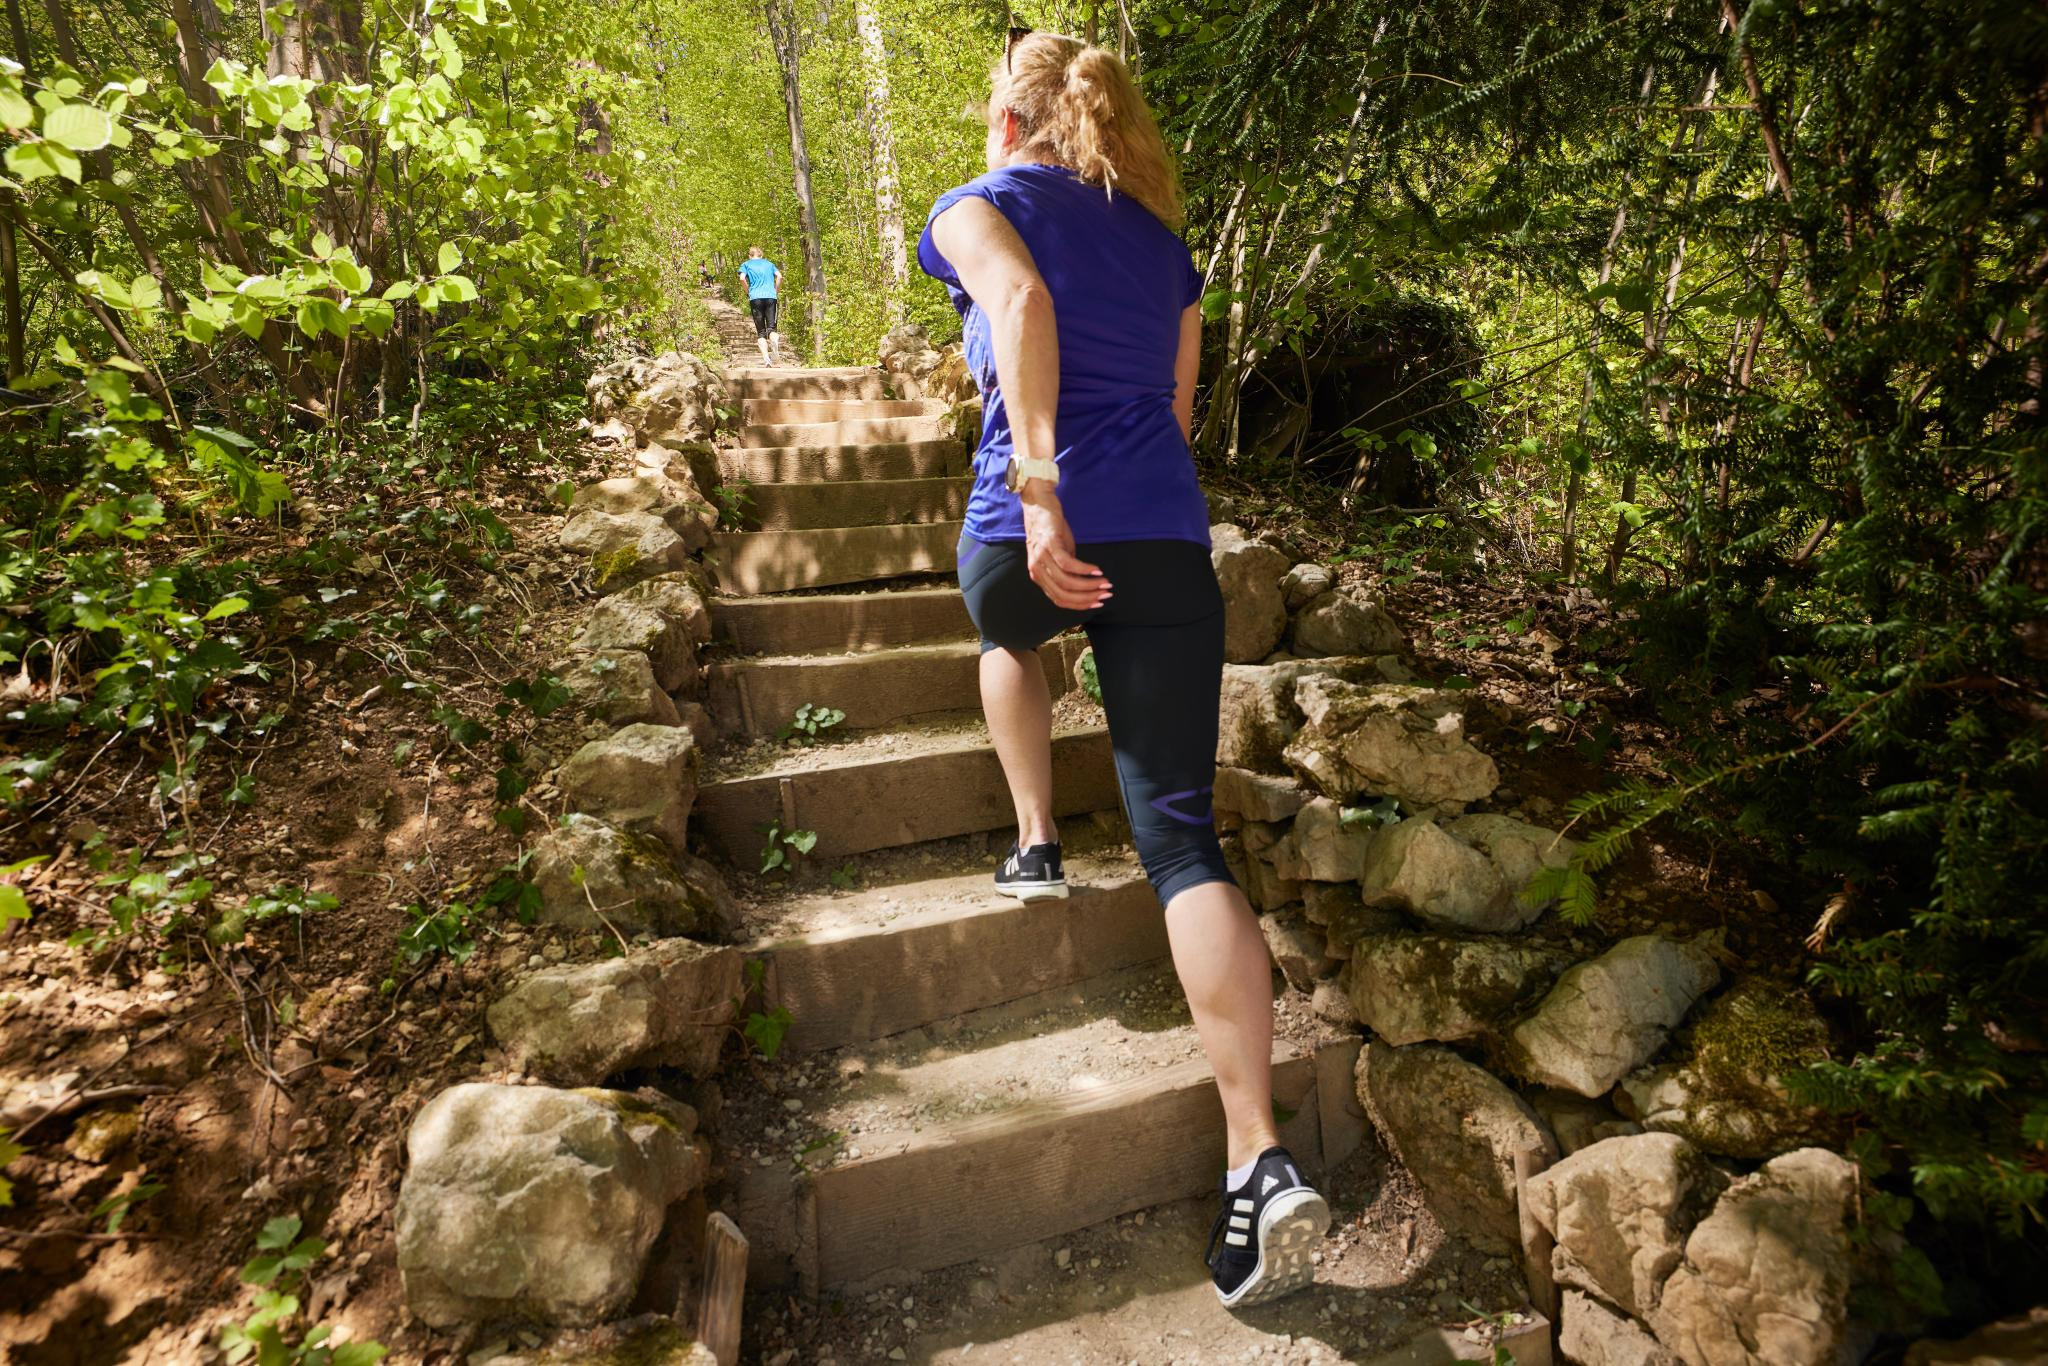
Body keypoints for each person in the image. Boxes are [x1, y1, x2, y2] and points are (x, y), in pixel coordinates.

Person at [917, 29, 1331, 1310]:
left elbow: (1020, 306)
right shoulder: (1163, 247)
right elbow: (1178, 405)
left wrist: (1042, 492)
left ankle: (1035, 840)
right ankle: (1256, 1156)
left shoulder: (974, 206)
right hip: (1161, 534)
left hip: (1030, 526)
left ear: (1007, 121)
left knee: (1002, 630)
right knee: (1181, 841)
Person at [737, 247, 783, 364]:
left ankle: (767, 359)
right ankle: (774, 344)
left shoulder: (746, 264)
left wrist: (748, 291)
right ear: (761, 255)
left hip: (755, 298)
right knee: (772, 328)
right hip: (770, 297)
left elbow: (742, 278)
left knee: (761, 332)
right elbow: (779, 276)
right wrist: (776, 291)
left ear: (749, 255)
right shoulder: (769, 264)